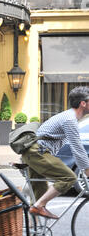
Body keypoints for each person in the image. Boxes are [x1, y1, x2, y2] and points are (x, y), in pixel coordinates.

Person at [22, 86, 89, 221]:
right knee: (69, 178)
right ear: (83, 103)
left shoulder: (69, 116)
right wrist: (87, 169)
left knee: (38, 195)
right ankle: (39, 206)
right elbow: (77, 147)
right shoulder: (70, 119)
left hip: (34, 153)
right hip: (38, 153)